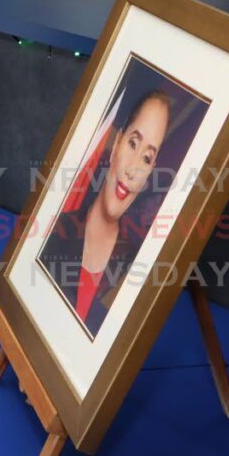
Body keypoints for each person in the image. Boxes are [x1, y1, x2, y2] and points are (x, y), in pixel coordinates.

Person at [39, 89, 171, 337]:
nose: (132, 169)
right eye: (133, 143)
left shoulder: (135, 270)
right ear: (116, 145)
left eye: (146, 158)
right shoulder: (56, 230)